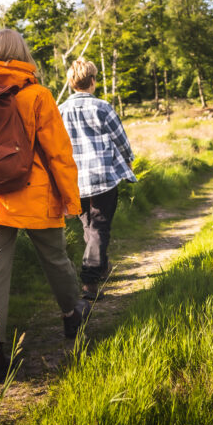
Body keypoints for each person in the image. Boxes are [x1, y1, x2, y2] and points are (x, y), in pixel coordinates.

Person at [0, 29, 89, 384]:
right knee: (55, 259)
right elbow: (58, 154)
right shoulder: (37, 94)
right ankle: (71, 315)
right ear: (24, 54)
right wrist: (71, 201)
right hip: (34, 194)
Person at [58, 58, 137, 301]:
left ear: (72, 83)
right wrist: (129, 158)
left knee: (88, 226)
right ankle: (90, 283)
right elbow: (120, 138)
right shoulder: (103, 108)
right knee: (99, 226)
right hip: (103, 178)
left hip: (74, 180)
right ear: (92, 81)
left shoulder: (60, 110)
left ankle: (100, 267)